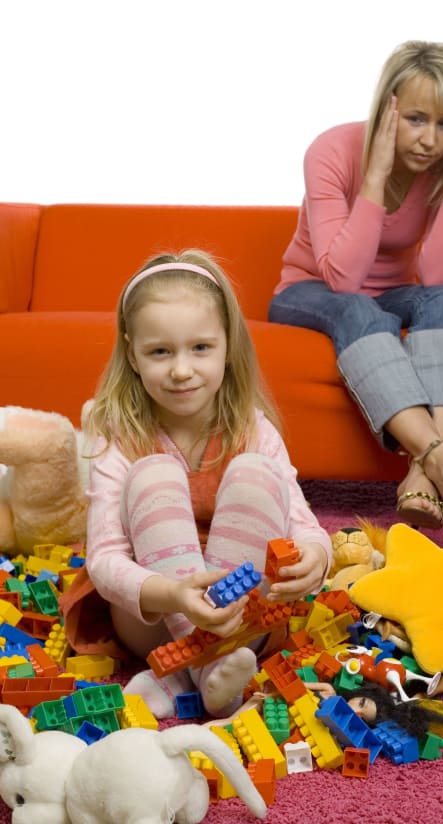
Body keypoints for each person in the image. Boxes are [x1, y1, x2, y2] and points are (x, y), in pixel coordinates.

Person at [268, 40, 443, 530]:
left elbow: (436, 279)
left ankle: (422, 479)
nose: (430, 140)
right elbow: (343, 278)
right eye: (416, 119)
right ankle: (440, 459)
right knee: (361, 309)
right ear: (388, 109)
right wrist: (375, 175)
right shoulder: (331, 150)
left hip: (389, 298)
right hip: (309, 292)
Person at [83, 249, 332, 719]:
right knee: (153, 471)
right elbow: (104, 559)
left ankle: (187, 673)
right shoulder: (120, 437)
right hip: (154, 611)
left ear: (228, 347)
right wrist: (174, 596)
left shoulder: (252, 428)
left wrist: (316, 559)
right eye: (160, 352)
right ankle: (206, 670)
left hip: (243, 618)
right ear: (132, 354)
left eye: (200, 348)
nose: (181, 370)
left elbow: (305, 525)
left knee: (257, 472)